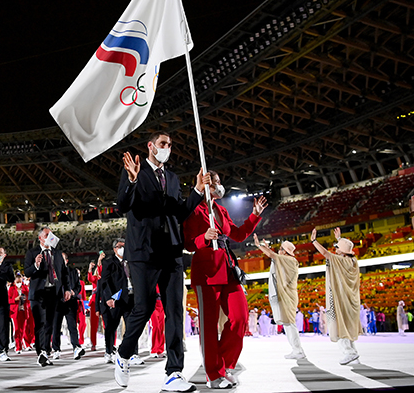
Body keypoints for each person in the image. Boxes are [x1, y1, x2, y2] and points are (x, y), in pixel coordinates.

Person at [115, 131, 205, 392]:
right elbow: (122, 205)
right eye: (163, 144)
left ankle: (174, 372)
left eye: (170, 144)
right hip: (143, 252)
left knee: (174, 311)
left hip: (172, 253)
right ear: (151, 146)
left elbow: (179, 213)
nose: (167, 148)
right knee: (143, 308)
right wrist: (132, 181)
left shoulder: (173, 178)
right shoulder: (136, 171)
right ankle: (123, 355)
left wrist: (198, 191)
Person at [183, 169, 267, 389]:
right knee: (209, 328)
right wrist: (204, 237)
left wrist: (255, 215)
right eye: (215, 182)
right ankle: (214, 374)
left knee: (240, 317)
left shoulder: (221, 210)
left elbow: (237, 235)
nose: (219, 185)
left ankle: (226, 365)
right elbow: (188, 243)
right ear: (204, 184)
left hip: (229, 270)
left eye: (219, 182)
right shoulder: (193, 210)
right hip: (207, 272)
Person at [310, 227, 362, 364]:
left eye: (337, 247)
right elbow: (343, 251)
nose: (335, 249)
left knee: (340, 326)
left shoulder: (342, 261)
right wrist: (339, 239)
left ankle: (349, 352)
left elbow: (326, 254)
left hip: (342, 300)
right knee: (347, 327)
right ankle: (353, 353)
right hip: (351, 300)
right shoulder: (353, 261)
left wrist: (314, 241)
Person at [24, 226, 72, 367]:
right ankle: (41, 352)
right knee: (40, 323)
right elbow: (27, 272)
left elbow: (64, 273)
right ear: (40, 238)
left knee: (49, 323)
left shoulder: (57, 253)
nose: (50, 236)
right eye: (47, 234)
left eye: (51, 234)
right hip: (38, 293)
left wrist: (67, 289)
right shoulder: (32, 253)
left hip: (53, 292)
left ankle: (46, 351)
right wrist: (36, 265)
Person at [253, 234, 305, 359]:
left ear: (286, 252)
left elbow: (273, 256)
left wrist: (260, 246)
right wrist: (267, 248)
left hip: (287, 296)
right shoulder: (286, 260)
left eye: (281, 249)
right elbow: (274, 259)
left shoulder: (290, 260)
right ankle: (296, 349)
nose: (279, 250)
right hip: (285, 295)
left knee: (289, 323)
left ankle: (298, 350)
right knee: (287, 324)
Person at [99, 239, 140, 365]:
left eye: (124, 246)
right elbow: (104, 282)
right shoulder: (109, 262)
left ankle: (133, 353)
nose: (122, 249)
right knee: (111, 327)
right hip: (116, 299)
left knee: (132, 327)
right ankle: (109, 351)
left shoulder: (131, 261)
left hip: (130, 298)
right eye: (119, 247)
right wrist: (108, 298)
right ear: (114, 249)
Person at [51, 252, 86, 361]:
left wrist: (72, 292)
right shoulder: (53, 273)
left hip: (71, 302)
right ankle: (56, 349)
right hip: (57, 303)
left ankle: (76, 347)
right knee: (56, 327)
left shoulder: (73, 272)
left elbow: (78, 287)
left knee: (72, 326)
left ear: (66, 261)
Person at [9, 273, 29, 354]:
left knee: (22, 330)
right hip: (15, 312)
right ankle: (18, 346)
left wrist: (25, 299)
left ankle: (21, 344)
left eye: (20, 281)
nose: (19, 283)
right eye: (17, 281)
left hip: (23, 311)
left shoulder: (25, 288)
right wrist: (15, 299)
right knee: (16, 330)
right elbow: (8, 300)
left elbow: (29, 298)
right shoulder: (11, 289)